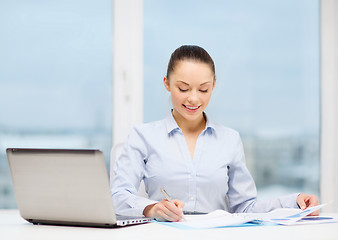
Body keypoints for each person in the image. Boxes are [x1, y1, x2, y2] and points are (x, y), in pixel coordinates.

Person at [110, 45, 319, 222]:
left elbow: (245, 207)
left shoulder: (230, 140)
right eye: (183, 89)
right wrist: (153, 208)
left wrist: (294, 202)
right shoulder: (143, 136)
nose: (193, 99)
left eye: (203, 90)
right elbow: (118, 195)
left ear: (214, 85)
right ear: (167, 83)